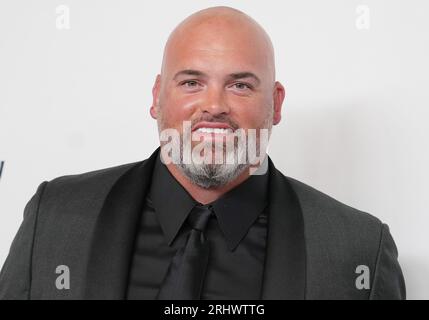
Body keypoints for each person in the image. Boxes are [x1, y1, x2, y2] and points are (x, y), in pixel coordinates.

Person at [0, 6, 405, 300]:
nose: (214, 105)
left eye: (241, 85)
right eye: (192, 82)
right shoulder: (53, 218)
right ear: (157, 97)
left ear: (276, 104)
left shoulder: (358, 248)